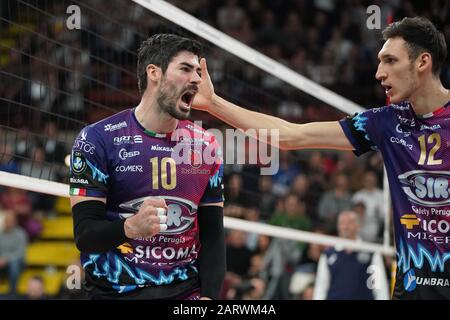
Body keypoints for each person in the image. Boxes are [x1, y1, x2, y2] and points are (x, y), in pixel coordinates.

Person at [193, 17, 450, 299]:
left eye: (390, 61)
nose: (379, 73)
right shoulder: (386, 123)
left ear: (422, 62)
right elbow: (292, 135)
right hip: (413, 290)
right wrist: (213, 103)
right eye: (379, 61)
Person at [69, 34, 225, 300]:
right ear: (154, 73)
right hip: (114, 291)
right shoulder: (97, 139)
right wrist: (128, 227)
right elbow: (85, 236)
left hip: (184, 291)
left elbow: (213, 236)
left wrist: (209, 296)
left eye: (198, 71)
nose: (198, 79)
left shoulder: (206, 145)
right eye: (186, 69)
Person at [313, 210, 389, 300]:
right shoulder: (328, 254)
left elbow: (380, 288)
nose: (345, 226)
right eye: (342, 223)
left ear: (358, 226)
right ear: (338, 226)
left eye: (350, 222)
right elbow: (321, 288)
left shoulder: (372, 253)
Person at [0, 210, 28, 298]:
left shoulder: (20, 233)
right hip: (2, 262)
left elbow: (20, 252)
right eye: (6, 220)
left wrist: (6, 258)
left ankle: (12, 291)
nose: (8, 223)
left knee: (14, 264)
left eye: (10, 221)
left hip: (18, 262)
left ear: (14, 222)